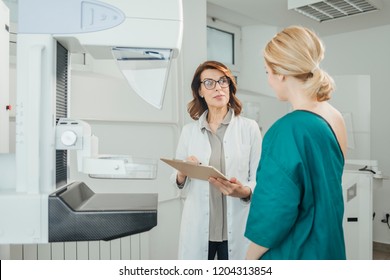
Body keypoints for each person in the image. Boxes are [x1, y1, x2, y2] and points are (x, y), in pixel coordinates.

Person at [242, 25, 348, 260]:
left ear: (280, 72)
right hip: (328, 247)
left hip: (295, 253)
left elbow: (273, 214)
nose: (268, 80)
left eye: (267, 72)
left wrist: (249, 260)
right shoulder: (334, 117)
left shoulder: (286, 130)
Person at [172, 60, 262, 260]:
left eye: (223, 81)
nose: (218, 87)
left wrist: (245, 191)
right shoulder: (189, 132)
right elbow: (177, 182)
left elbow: (260, 178)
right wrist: (182, 172)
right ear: (200, 91)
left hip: (237, 227)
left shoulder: (249, 128)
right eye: (209, 83)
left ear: (230, 86)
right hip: (200, 228)